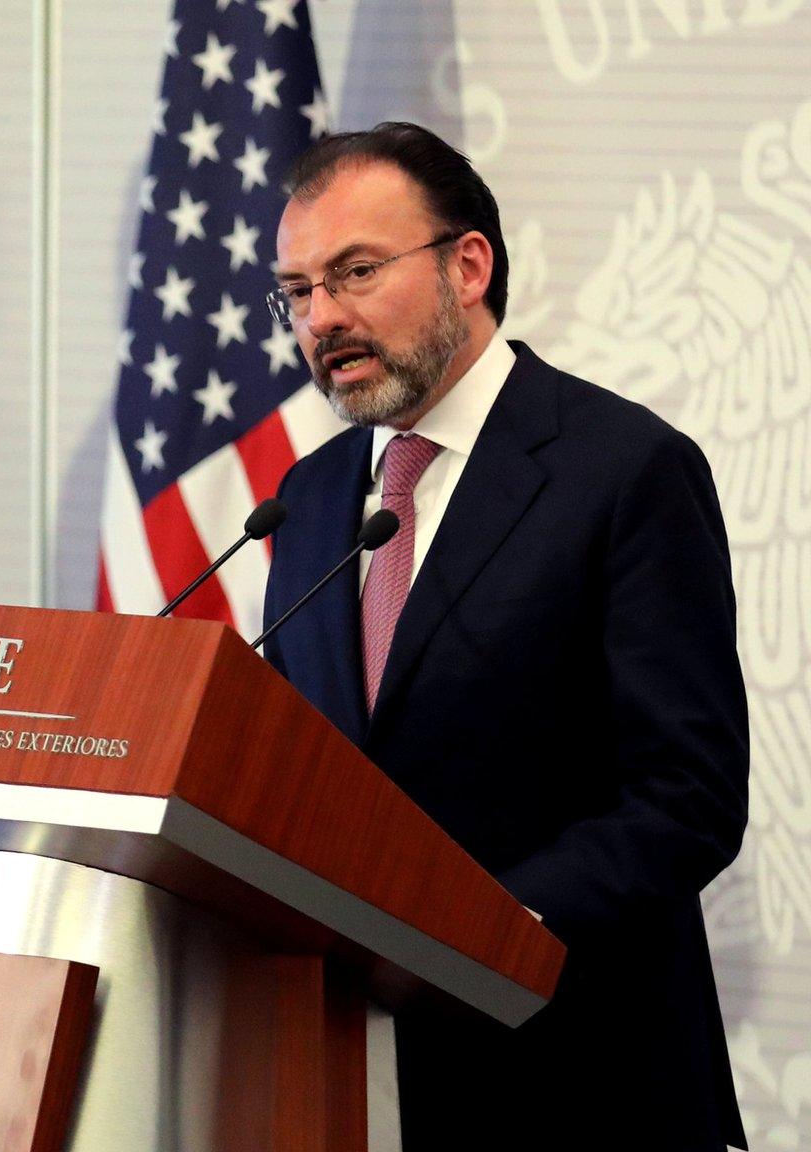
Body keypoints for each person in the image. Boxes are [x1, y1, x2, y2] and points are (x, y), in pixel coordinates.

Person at [261, 122, 747, 1150]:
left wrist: (468, 927)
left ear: (465, 264)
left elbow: (686, 798)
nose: (321, 319)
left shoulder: (620, 472)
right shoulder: (304, 504)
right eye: (297, 291)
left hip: (575, 1081)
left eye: (353, 272)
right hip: (347, 1081)